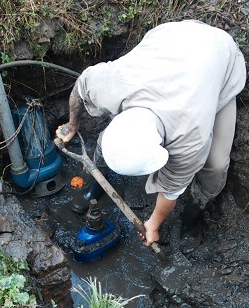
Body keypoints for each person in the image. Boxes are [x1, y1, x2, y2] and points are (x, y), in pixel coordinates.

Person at [55, 20, 247, 251]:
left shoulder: (191, 136)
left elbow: (171, 190)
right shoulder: (110, 83)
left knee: (215, 166)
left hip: (219, 58)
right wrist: (72, 124)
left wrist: (153, 224)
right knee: (111, 146)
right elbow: (80, 86)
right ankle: (96, 188)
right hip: (172, 36)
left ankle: (192, 218)